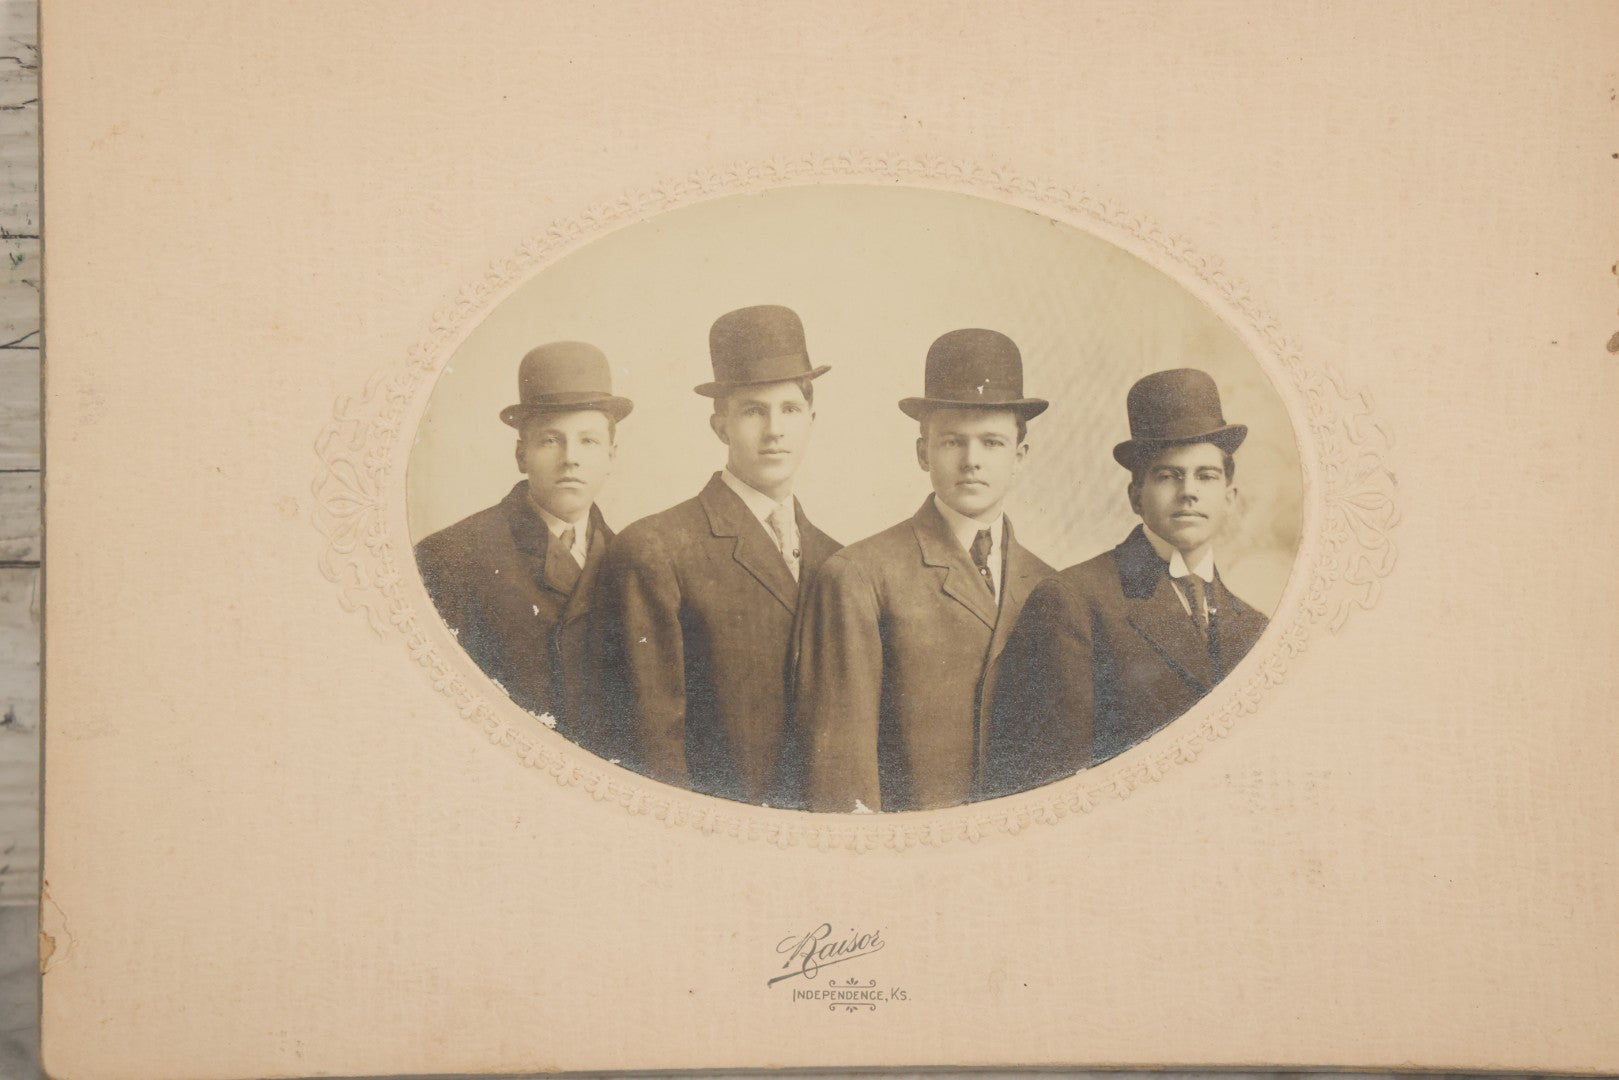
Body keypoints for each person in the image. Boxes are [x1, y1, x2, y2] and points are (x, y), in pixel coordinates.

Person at [791, 328, 1055, 812]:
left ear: (1019, 458)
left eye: (992, 443)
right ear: (922, 452)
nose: (972, 461)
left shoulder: (1050, 586)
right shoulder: (860, 575)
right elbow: (842, 775)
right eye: (952, 440)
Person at [593, 305, 840, 805]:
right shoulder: (656, 548)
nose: (775, 430)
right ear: (720, 426)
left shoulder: (839, 561)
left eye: (790, 409)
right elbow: (650, 742)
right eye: (753, 410)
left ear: (812, 420)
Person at [983, 367, 1269, 798]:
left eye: (1206, 476)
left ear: (1229, 498)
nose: (1188, 491)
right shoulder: (1073, 602)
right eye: (1168, 475)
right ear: (1136, 496)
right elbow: (1046, 785)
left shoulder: (1255, 626)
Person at [414, 341, 633, 737]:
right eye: (551, 440)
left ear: (611, 457)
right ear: (521, 454)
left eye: (588, 440)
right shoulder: (450, 557)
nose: (571, 458)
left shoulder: (633, 562)